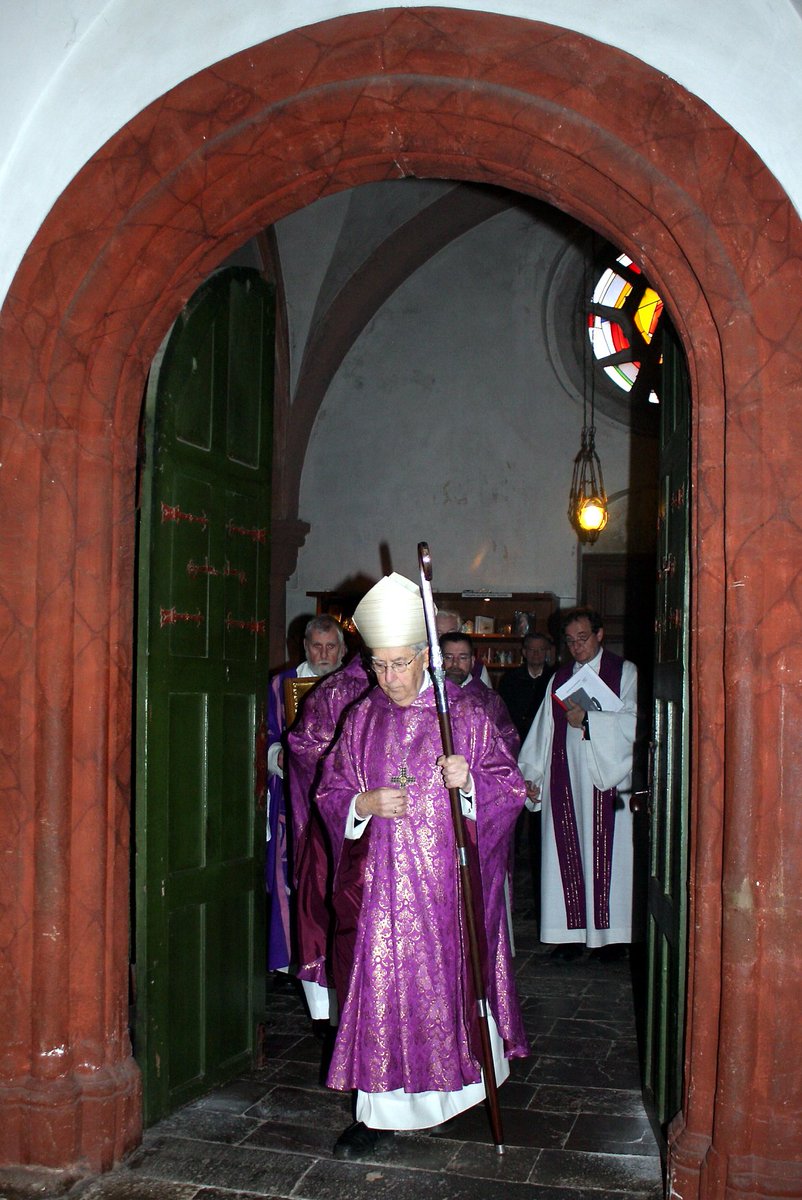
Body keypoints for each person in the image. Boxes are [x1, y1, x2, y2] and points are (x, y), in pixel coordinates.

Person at [316, 573, 528, 1159]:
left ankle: (459, 1091)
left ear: (424, 657)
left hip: (447, 889)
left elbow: (509, 789)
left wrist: (470, 786)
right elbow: (330, 790)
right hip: (384, 891)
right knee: (382, 984)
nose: (389, 679)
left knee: (451, 985)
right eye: (379, 666)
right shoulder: (362, 719)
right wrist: (362, 803)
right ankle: (379, 1111)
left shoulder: (468, 714)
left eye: (400, 665)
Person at [517, 606, 637, 962]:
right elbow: (543, 731)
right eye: (570, 641)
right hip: (565, 779)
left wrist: (590, 720)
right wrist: (532, 775)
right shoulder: (560, 679)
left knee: (610, 856)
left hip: (608, 778)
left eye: (583, 638)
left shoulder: (624, 672)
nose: (576, 647)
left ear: (600, 635)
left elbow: (634, 722)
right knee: (563, 854)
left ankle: (613, 938)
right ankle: (568, 935)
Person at [285, 653, 372, 1021]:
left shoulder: (426, 693)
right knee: (331, 911)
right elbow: (303, 745)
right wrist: (349, 767)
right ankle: (334, 1014)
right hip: (342, 822)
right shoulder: (336, 690)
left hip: (404, 829)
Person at [266, 615, 346, 973]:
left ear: (342, 648)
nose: (324, 653)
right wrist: (276, 755)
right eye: (317, 645)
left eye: (331, 646)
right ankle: (293, 961)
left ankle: (336, 960)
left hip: (341, 801)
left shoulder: (356, 684)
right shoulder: (281, 685)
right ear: (304, 646)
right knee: (291, 877)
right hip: (291, 799)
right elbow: (266, 734)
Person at [440, 631, 520, 757]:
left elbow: (509, 742)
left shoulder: (490, 700)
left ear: (472, 661)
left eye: (462, 657)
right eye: (448, 657)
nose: (455, 664)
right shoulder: (428, 697)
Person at [498, 631, 555, 742]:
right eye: (532, 650)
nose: (536, 654)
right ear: (524, 652)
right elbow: (503, 712)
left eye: (541, 650)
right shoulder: (510, 679)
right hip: (517, 737)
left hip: (546, 736)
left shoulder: (554, 678)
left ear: (547, 652)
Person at [435, 608, 493, 686]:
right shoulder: (422, 665)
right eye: (438, 633)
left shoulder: (478, 669)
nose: (444, 639)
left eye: (451, 633)